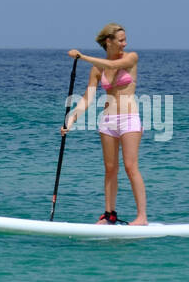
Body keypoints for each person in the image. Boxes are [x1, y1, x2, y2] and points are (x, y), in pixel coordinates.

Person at [60, 23, 148, 225]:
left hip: (129, 119)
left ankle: (142, 216)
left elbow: (114, 66)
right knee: (110, 169)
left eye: (125, 39)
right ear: (109, 42)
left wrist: (82, 57)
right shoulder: (97, 69)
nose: (125, 43)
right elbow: (88, 98)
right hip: (108, 121)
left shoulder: (130, 58)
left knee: (130, 166)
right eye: (121, 40)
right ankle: (109, 215)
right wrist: (71, 119)